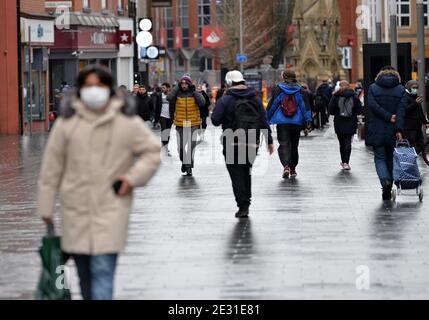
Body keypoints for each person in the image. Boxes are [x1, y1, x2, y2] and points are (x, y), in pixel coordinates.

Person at [37, 65, 161, 300]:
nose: (95, 91)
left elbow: (152, 152)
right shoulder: (67, 124)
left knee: (103, 273)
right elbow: (51, 167)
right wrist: (45, 207)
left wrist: (131, 178)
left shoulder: (125, 122)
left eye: (100, 86)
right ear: (80, 90)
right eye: (89, 86)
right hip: (76, 209)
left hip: (111, 208)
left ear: (109, 89)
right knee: (85, 278)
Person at [212, 70, 274, 218]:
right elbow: (264, 121)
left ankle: (242, 205)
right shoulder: (255, 99)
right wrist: (269, 141)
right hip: (252, 140)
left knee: (237, 174)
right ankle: (247, 201)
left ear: (229, 83)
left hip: (232, 140)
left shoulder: (226, 100)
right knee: (247, 171)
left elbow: (215, 120)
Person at [367, 66, 406, 201]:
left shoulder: (373, 88)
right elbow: (401, 111)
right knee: (390, 158)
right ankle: (388, 183)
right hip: (393, 130)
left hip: (376, 129)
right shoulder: (401, 89)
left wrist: (387, 116)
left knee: (379, 158)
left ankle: (385, 182)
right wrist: (399, 129)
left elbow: (372, 105)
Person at [267, 70, 313, 179]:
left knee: (284, 144)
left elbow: (272, 105)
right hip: (296, 122)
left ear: (284, 77)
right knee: (294, 145)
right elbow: (305, 108)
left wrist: (266, 119)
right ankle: (293, 169)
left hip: (282, 122)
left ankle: (286, 166)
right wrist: (308, 121)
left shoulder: (279, 89)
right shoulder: (301, 91)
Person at [167, 74, 206, 176]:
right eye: (182, 83)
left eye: (186, 83)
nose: (184, 85)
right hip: (180, 123)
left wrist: (194, 91)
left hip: (193, 123)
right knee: (180, 148)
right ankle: (185, 162)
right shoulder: (177, 93)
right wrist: (176, 87)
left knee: (191, 147)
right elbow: (169, 98)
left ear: (189, 84)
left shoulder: (194, 92)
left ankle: (188, 167)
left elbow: (202, 103)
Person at [328, 80, 364, 170]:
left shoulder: (335, 96)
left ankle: (343, 162)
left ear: (340, 86)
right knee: (348, 142)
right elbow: (360, 110)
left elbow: (331, 110)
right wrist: (353, 113)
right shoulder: (354, 96)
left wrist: (338, 112)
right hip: (351, 121)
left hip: (339, 122)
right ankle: (346, 163)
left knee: (341, 143)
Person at [402, 80, 429, 154]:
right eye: (414, 87)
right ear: (409, 87)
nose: (415, 89)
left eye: (417, 87)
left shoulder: (415, 97)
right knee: (411, 145)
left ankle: (411, 156)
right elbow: (405, 110)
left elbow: (420, 111)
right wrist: (415, 103)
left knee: (422, 145)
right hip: (409, 127)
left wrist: (425, 122)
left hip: (417, 127)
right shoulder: (405, 96)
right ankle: (409, 159)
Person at [157, 82, 175, 155]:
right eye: (162, 88)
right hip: (162, 116)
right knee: (164, 131)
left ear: (168, 88)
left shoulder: (171, 96)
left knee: (167, 132)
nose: (162, 89)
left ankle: (165, 145)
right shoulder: (159, 96)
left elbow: (174, 106)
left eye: (164, 88)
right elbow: (157, 107)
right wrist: (156, 118)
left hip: (170, 117)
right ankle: (165, 147)